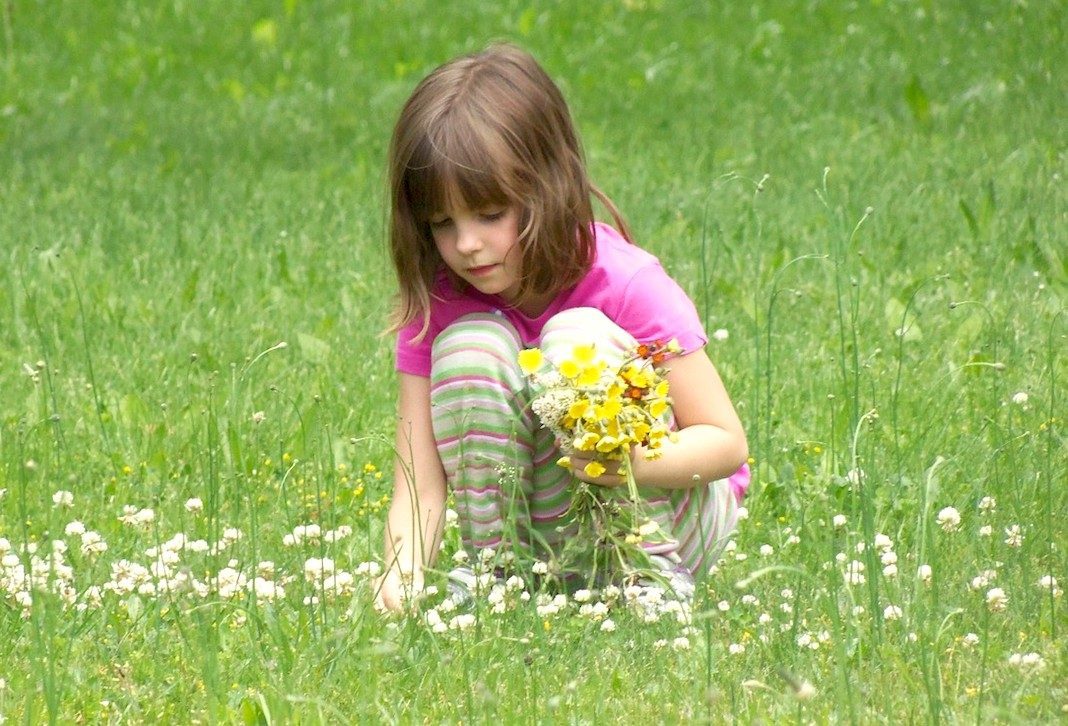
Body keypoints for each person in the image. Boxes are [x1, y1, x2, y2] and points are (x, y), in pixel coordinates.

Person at [377, 43, 749, 612]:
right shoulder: (439, 304)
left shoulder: (623, 281)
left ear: (546, 186)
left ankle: (645, 578)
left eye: (490, 214)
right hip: (552, 536)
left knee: (576, 338)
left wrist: (623, 462)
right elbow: (420, 484)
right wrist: (397, 588)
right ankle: (498, 575)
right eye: (441, 223)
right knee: (469, 348)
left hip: (671, 513)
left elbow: (726, 444)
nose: (466, 244)